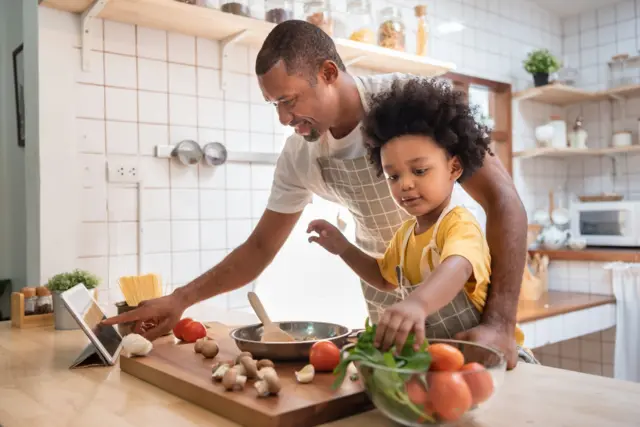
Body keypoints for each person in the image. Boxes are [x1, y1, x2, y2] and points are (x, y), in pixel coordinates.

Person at [103, 20, 530, 369]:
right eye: (275, 106)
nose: (286, 119)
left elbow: (503, 200)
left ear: (328, 73)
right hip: (390, 306)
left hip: (461, 308)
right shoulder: (300, 155)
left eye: (289, 100)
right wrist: (181, 299)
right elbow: (259, 247)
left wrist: (498, 323)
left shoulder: (404, 104)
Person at [306, 77, 523, 354]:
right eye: (393, 176)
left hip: (487, 354)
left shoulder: (458, 223)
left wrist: (418, 303)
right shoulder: (406, 235)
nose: (405, 184)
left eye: (419, 171)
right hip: (443, 361)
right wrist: (344, 248)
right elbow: (383, 278)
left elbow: (459, 265)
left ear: (454, 168)